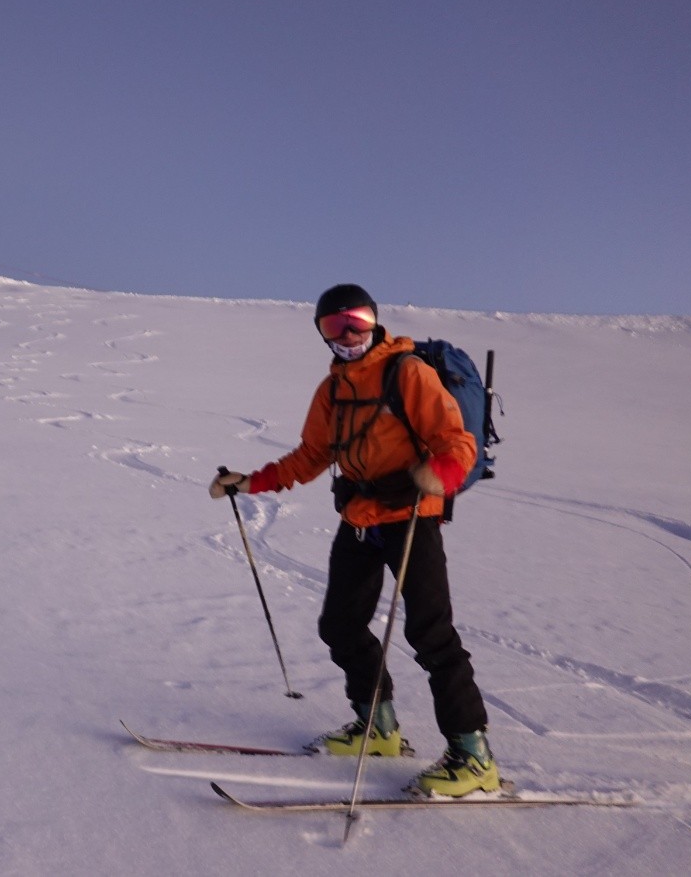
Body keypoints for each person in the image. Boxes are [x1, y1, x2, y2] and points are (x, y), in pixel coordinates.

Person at [209, 284, 500, 798]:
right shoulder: (332, 391)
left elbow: (457, 440)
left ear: (375, 321)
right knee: (340, 625)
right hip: (360, 518)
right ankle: (378, 729)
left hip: (411, 516)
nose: (348, 335)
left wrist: (445, 471)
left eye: (357, 321)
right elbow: (309, 456)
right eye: (334, 326)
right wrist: (249, 482)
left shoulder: (408, 372)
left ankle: (474, 758)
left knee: (431, 635)